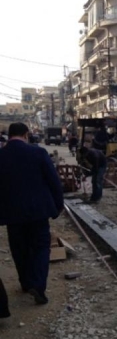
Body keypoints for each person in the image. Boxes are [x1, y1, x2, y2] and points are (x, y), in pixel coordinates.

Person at [0, 122, 64, 306]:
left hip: (12, 213)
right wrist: (58, 206)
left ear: (9, 135)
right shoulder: (38, 153)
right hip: (38, 211)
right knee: (41, 248)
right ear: (26, 135)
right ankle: (38, 285)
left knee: (19, 248)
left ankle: (26, 283)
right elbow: (54, 181)